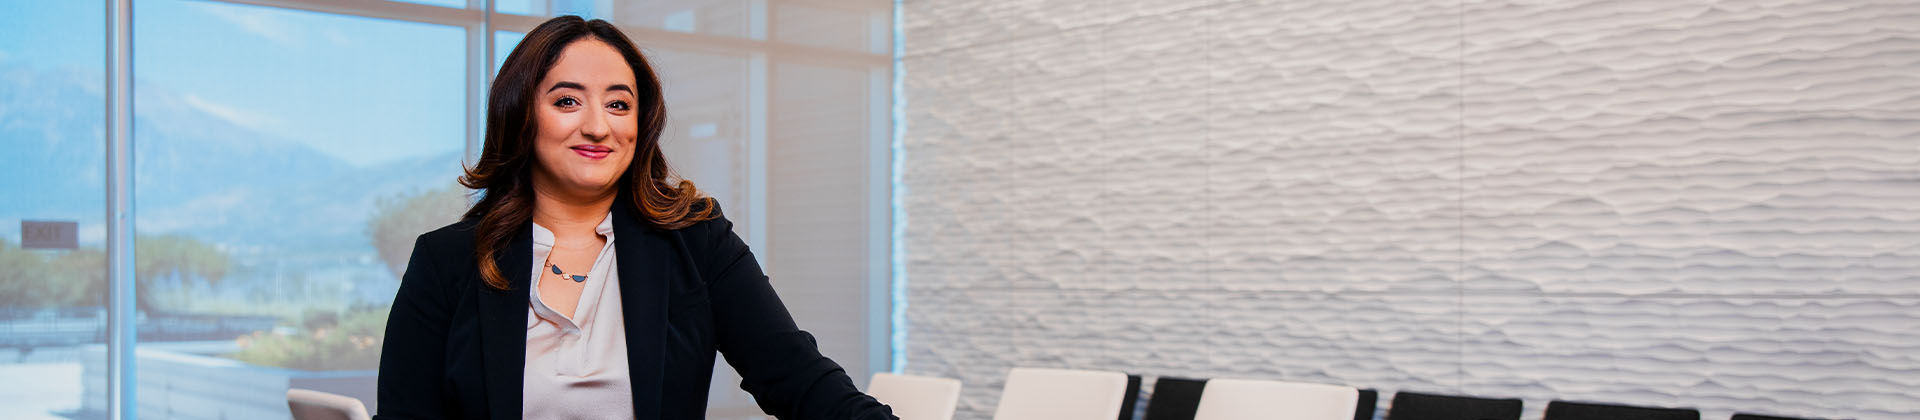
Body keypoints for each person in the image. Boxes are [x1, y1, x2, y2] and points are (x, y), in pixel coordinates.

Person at [374, 15, 895, 420]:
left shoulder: (697, 242)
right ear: (521, 114)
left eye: (620, 105)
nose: (598, 126)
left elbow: (800, 381)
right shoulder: (446, 261)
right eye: (567, 100)